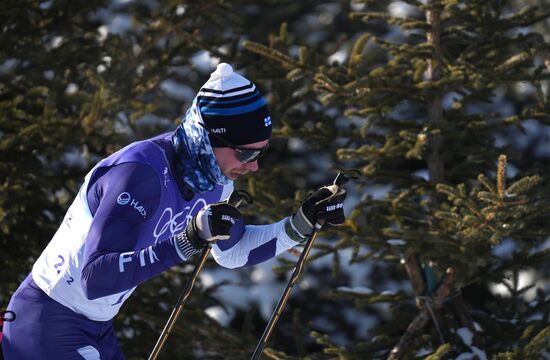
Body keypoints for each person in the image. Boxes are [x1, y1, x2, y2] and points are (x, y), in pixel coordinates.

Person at [1, 63, 347, 360]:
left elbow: (232, 252)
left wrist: (299, 224)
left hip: (96, 327)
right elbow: (96, 279)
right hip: (46, 323)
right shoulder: (140, 174)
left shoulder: (214, 180)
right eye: (245, 154)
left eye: (260, 154)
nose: (253, 167)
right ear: (207, 138)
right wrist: (189, 238)